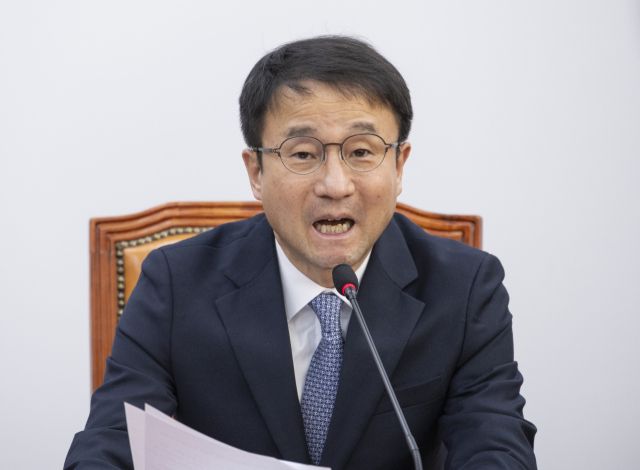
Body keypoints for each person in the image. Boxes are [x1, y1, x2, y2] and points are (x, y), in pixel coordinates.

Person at [65, 36, 537, 469]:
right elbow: (111, 442)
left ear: (399, 165)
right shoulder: (175, 283)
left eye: (362, 151)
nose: (335, 185)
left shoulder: (465, 288)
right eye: (303, 153)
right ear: (256, 172)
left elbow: (496, 446)